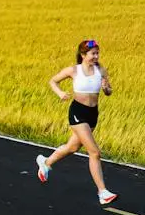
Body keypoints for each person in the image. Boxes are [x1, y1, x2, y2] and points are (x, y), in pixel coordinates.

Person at [37, 39, 117, 205]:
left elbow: (108, 92)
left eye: (97, 53)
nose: (96, 56)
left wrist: (106, 87)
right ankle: (102, 192)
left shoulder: (100, 69)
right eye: (93, 53)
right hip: (77, 113)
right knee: (94, 152)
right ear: (83, 55)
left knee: (72, 147)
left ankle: (46, 162)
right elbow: (53, 81)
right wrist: (59, 93)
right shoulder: (74, 70)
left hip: (92, 114)